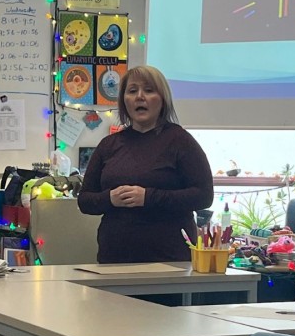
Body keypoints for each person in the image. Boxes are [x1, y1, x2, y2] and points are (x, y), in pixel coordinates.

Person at [77, 65, 214, 263]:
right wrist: (110, 198)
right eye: (132, 91)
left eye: (149, 90)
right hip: (114, 260)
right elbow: (85, 201)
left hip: (170, 261)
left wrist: (149, 197)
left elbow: (204, 196)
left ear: (163, 99)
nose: (140, 97)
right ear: (124, 100)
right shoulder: (109, 145)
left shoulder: (180, 141)